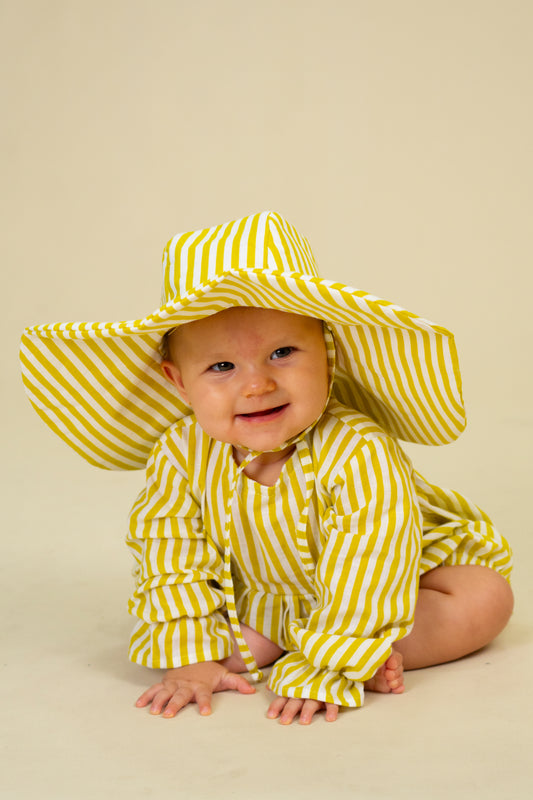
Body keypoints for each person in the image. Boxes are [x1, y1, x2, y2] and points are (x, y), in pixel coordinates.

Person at [20, 211, 513, 725]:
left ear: (327, 355)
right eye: (221, 367)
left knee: (485, 597)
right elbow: (169, 548)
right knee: (214, 633)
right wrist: (191, 656)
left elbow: (374, 555)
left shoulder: (358, 448)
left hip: (393, 583)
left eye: (282, 353)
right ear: (179, 383)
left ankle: (354, 652)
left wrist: (330, 665)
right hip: (266, 599)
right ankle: (279, 638)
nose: (255, 386)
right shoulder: (179, 453)